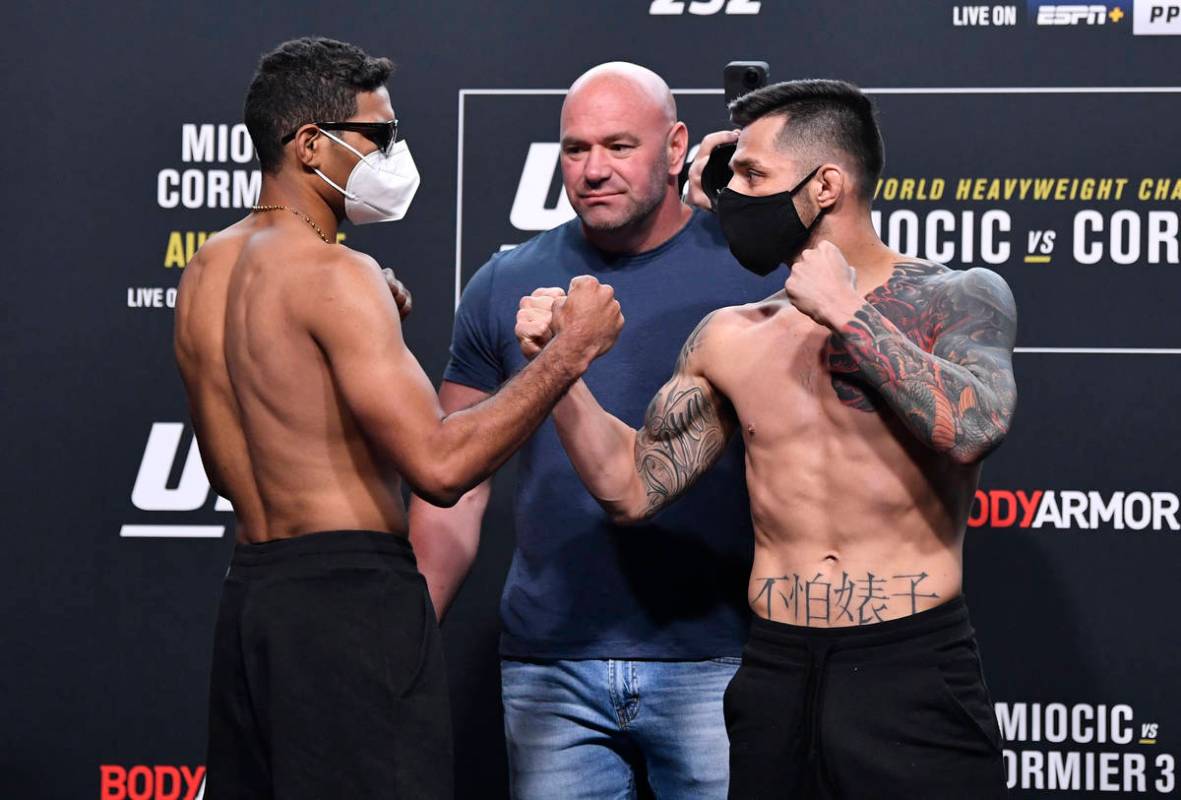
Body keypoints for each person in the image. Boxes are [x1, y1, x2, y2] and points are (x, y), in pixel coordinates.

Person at [515, 79, 1016, 799]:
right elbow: (629, 486)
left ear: (826, 186)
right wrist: (558, 368)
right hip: (775, 672)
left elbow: (973, 429)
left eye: (751, 175)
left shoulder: (954, 297)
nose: (728, 197)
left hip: (907, 667)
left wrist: (848, 314)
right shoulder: (731, 334)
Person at [173, 37, 622, 800]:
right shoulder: (334, 274)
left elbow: (249, 446)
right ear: (310, 143)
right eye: (378, 137)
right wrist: (567, 354)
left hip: (254, 598)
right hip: (349, 607)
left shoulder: (206, 269)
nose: (393, 156)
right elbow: (441, 469)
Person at [408, 62, 785, 798]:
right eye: (575, 149)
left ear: (676, 148)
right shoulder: (504, 281)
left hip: (718, 652)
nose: (592, 170)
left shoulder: (756, 274)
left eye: (618, 146)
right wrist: (413, 631)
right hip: (551, 659)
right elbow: (456, 477)